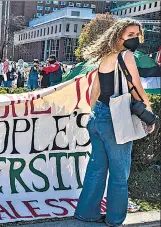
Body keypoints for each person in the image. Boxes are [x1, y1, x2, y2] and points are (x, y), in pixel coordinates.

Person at [74, 18, 155, 227]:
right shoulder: (127, 56)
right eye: (130, 35)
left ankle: (86, 213)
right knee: (120, 173)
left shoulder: (104, 56)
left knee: (97, 169)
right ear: (118, 36)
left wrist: (95, 115)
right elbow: (136, 86)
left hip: (98, 117)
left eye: (137, 34)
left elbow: (94, 90)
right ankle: (114, 219)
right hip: (115, 119)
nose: (135, 38)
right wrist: (149, 112)